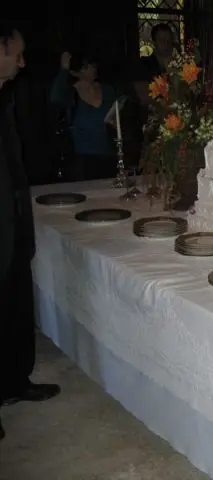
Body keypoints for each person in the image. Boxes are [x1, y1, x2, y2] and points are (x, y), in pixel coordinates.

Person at [0, 22, 61, 440]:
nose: (22, 62)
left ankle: (14, 381)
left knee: (16, 304)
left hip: (13, 216)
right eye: (16, 53)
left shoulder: (6, 96)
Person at [50, 51, 118, 181]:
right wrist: (63, 70)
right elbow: (54, 97)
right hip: (80, 160)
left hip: (108, 156)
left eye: (93, 65)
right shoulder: (70, 93)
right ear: (76, 71)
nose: (93, 69)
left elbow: (117, 116)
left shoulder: (107, 90)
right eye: (87, 67)